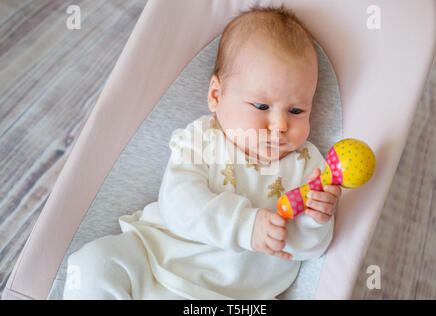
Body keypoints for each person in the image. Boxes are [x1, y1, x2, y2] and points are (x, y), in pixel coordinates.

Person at [63, 4, 342, 300]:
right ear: (215, 96)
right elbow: (180, 203)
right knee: (92, 264)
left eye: (297, 110)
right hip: (156, 257)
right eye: (261, 106)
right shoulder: (202, 138)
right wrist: (245, 226)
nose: (280, 124)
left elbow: (308, 250)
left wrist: (316, 221)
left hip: (234, 297)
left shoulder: (307, 164)